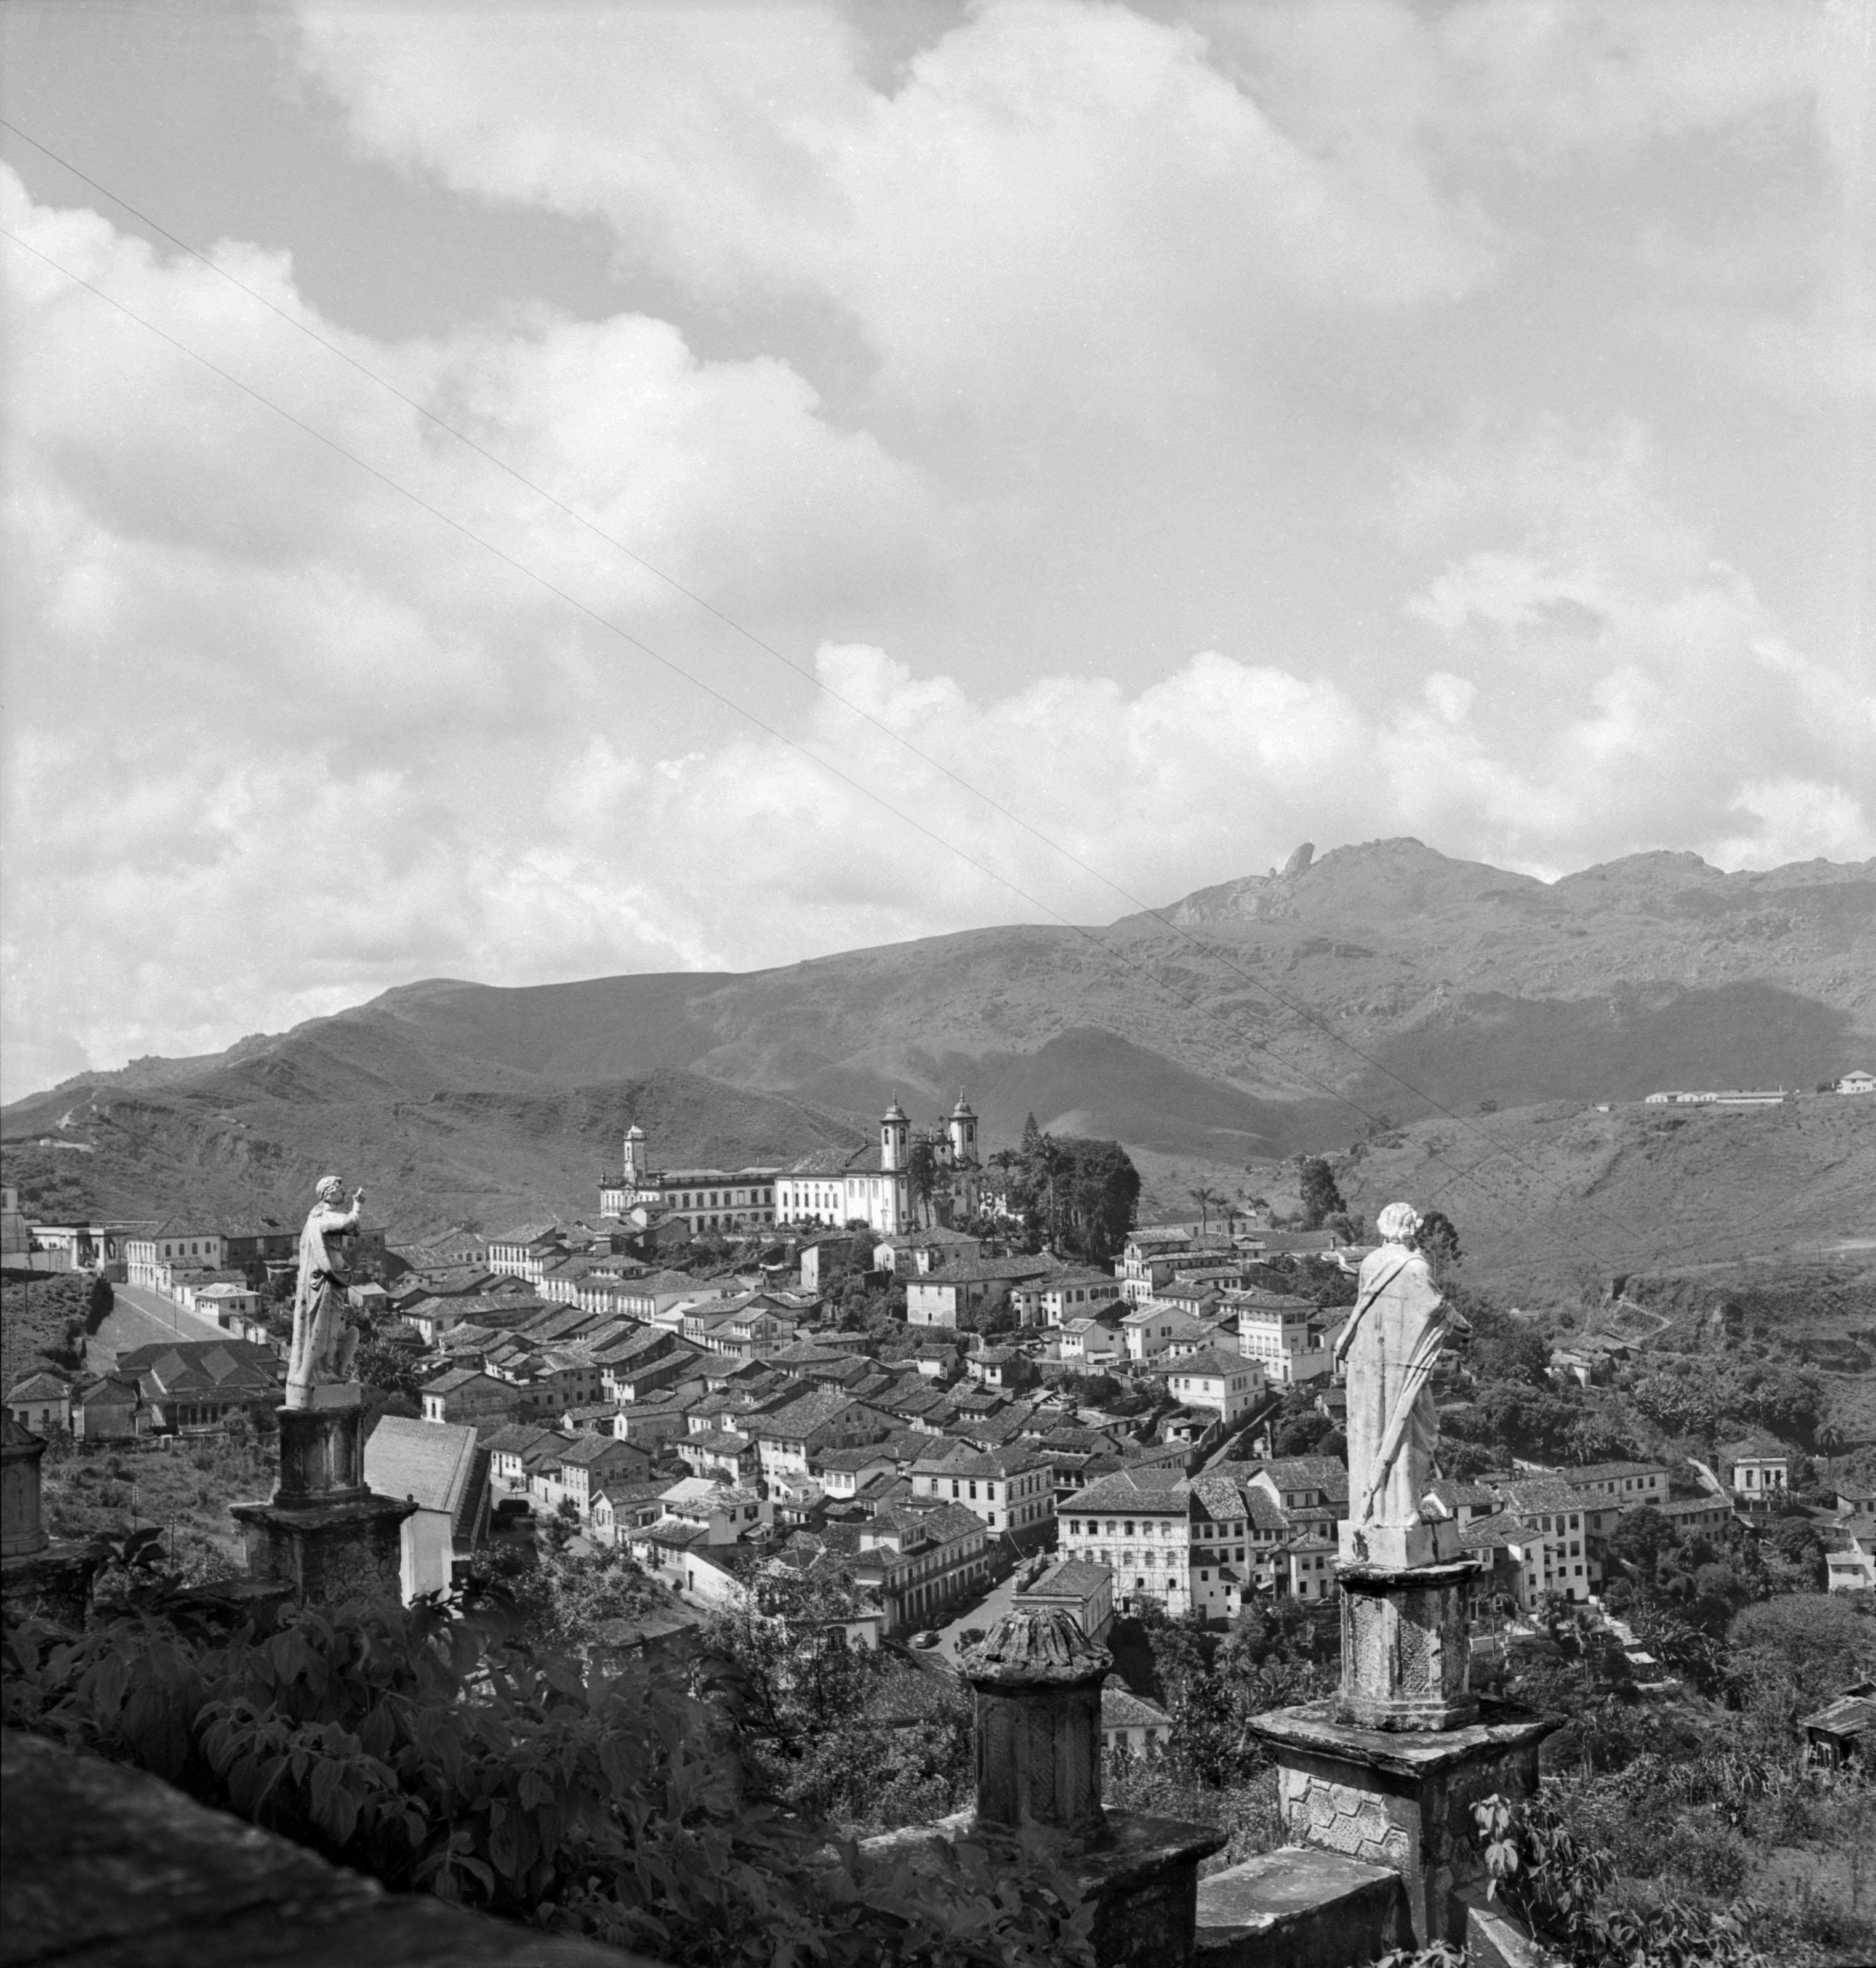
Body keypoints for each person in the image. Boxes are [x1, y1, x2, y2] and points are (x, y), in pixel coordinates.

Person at [1332, 1201, 1469, 1552]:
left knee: (1374, 1436)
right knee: (1418, 1435)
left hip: (1369, 1370)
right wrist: (1466, 1329)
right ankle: (1403, 1512)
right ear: (1411, 1229)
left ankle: (1376, 1510)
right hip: (1401, 1374)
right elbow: (1436, 1309)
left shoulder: (1371, 1263)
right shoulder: (1415, 1267)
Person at [285, 1175, 366, 1407]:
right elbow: (348, 1223)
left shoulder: (326, 1215)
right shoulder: (321, 1216)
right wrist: (358, 1205)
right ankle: (312, 1374)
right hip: (326, 1279)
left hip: (336, 1280)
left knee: (335, 1328)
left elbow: (353, 1228)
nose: (343, 1192)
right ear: (327, 1192)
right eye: (339, 1189)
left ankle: (328, 1370)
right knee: (323, 1327)